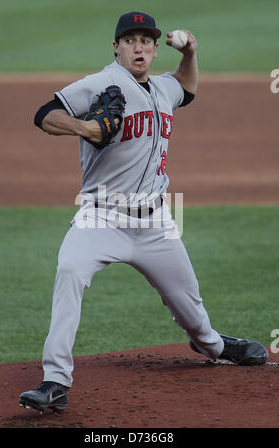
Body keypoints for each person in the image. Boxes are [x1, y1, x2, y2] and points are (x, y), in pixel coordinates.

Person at [19, 11, 268, 413]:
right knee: (69, 272)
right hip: (99, 217)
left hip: (155, 223)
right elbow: (44, 115)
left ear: (155, 49)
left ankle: (215, 345)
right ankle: (55, 381)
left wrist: (190, 53)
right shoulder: (99, 84)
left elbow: (186, 89)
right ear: (116, 47)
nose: (139, 47)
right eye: (130, 40)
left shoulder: (163, 88)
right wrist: (86, 129)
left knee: (191, 307)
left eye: (146, 41)